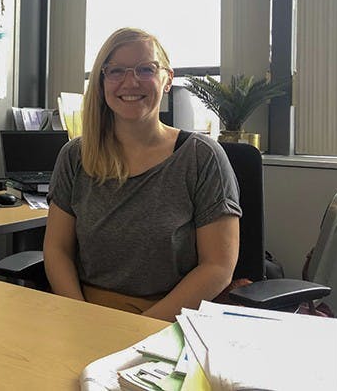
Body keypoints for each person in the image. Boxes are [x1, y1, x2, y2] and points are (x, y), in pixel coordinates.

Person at [44, 27, 241, 322]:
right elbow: (57, 249)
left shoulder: (202, 157)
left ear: (167, 80)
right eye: (116, 71)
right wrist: (79, 316)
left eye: (145, 69)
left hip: (169, 318)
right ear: (101, 81)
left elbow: (217, 267)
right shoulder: (76, 156)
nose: (130, 81)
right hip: (85, 312)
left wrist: (140, 329)